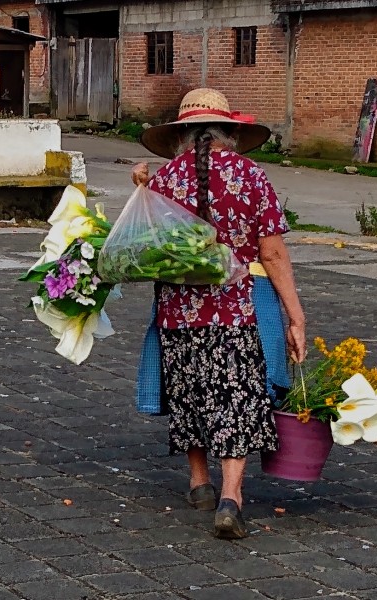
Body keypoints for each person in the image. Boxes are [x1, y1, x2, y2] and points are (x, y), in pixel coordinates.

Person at [130, 88, 305, 539]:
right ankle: (231, 497)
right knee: (236, 399)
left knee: (189, 396)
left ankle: (199, 482)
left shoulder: (165, 180)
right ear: (230, 132)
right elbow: (273, 253)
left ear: (181, 136)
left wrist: (142, 189)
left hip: (176, 313)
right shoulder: (251, 176)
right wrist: (295, 315)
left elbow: (143, 245)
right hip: (234, 311)